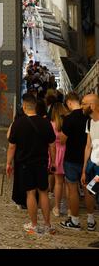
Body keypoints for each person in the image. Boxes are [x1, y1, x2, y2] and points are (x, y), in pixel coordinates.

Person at [6, 94, 56, 234]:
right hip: (41, 163)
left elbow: (12, 146)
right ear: (35, 106)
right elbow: (52, 145)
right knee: (44, 193)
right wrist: (52, 161)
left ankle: (34, 225)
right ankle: (48, 225)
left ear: (24, 106)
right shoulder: (45, 122)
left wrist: (8, 163)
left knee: (30, 194)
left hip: (24, 164)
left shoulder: (18, 123)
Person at [59, 92, 95, 231]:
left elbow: (62, 140)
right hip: (89, 159)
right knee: (88, 190)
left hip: (71, 159)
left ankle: (74, 221)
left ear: (68, 103)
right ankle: (91, 221)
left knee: (72, 190)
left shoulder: (69, 119)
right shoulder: (90, 116)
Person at [81, 94, 99, 229]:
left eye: (84, 103)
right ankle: (91, 220)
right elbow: (88, 146)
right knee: (90, 189)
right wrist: (84, 169)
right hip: (93, 168)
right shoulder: (89, 122)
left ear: (92, 106)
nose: (81, 106)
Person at [49, 102, 69, 217]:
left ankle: (56, 208)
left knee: (58, 182)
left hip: (56, 153)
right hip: (67, 152)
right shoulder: (67, 123)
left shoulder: (51, 124)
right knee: (69, 183)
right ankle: (69, 208)